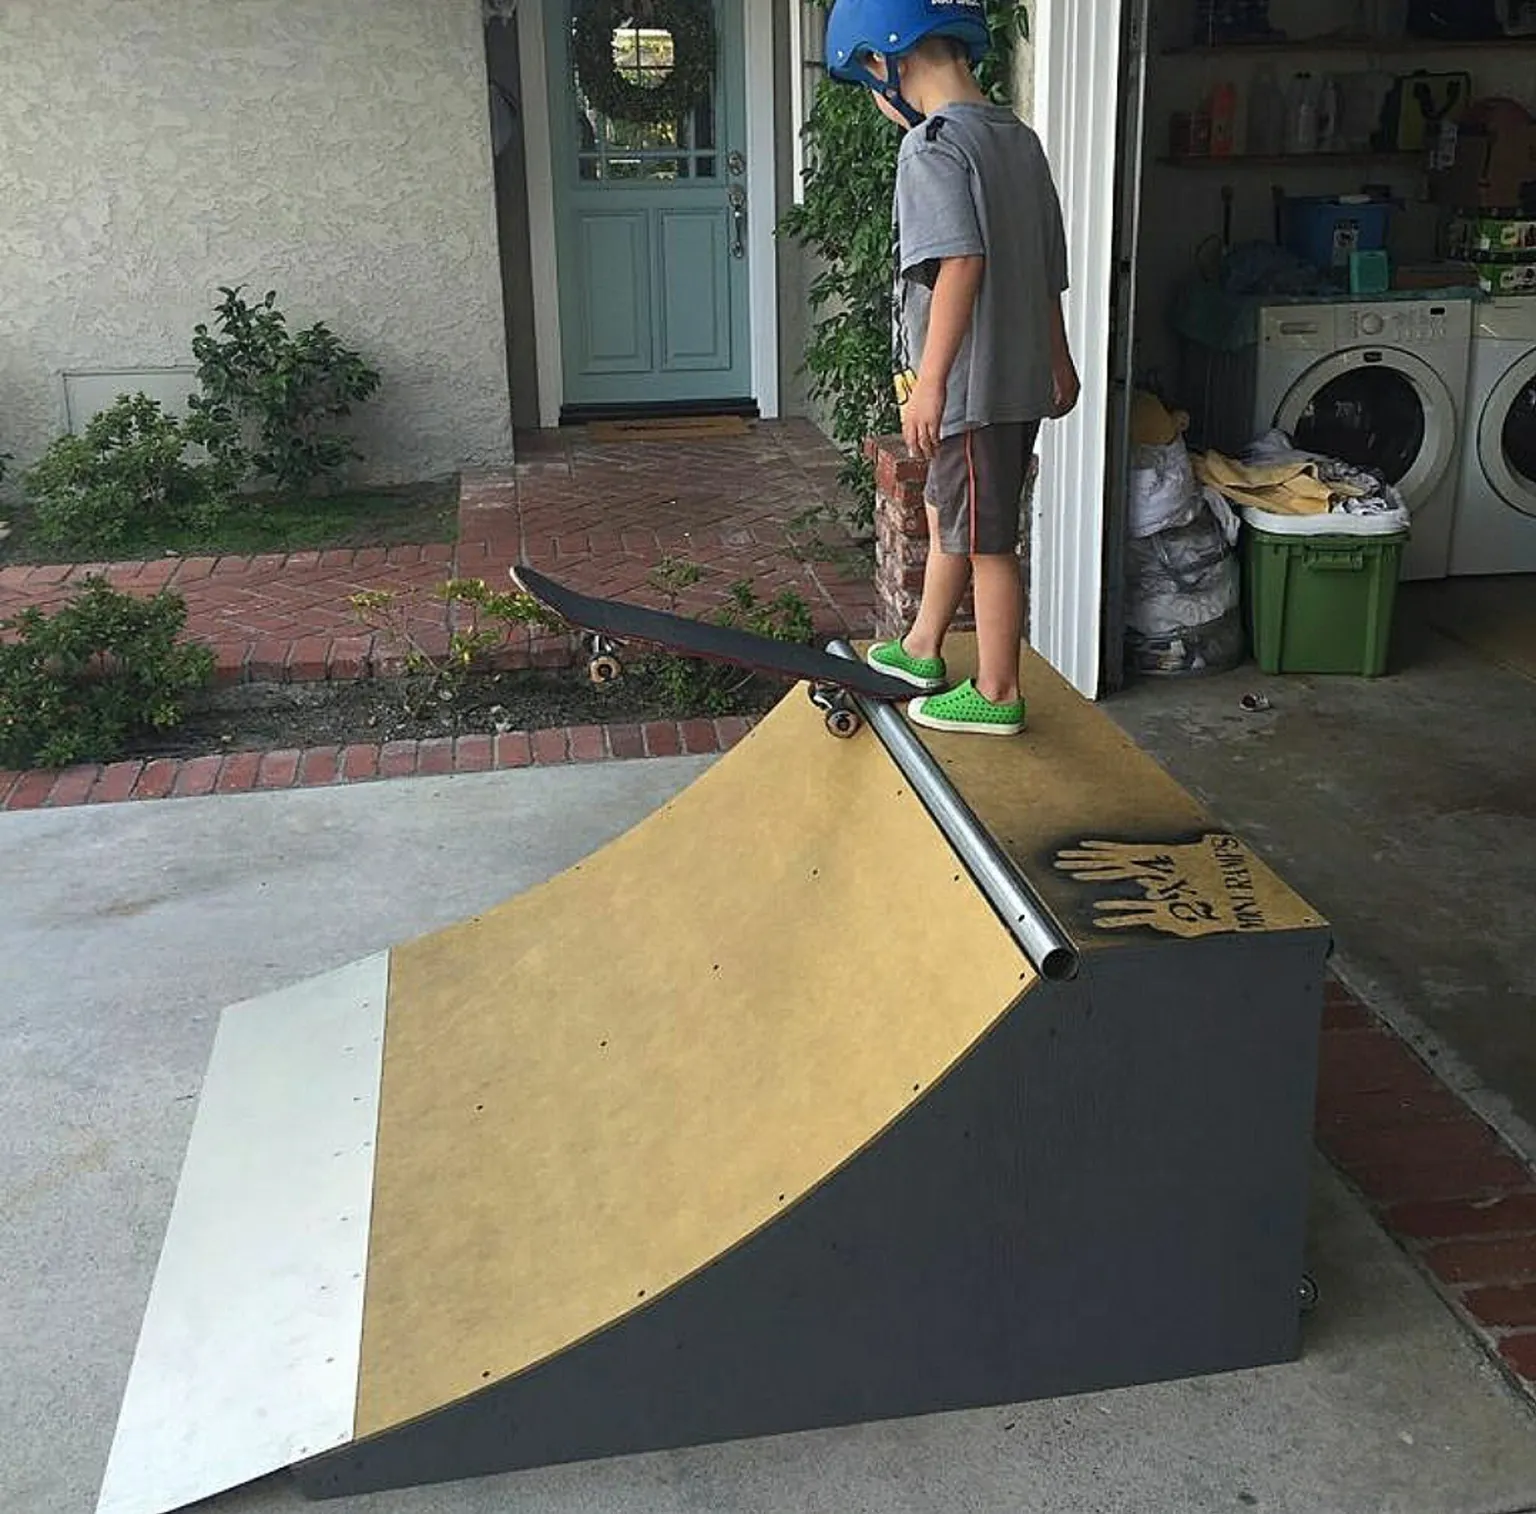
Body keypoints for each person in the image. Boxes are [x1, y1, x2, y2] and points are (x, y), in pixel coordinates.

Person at [825, 0, 1080, 735]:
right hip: (1017, 376)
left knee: (987, 541)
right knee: (953, 515)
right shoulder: (1016, 138)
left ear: (886, 61)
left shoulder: (933, 147)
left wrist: (930, 383)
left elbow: (960, 259)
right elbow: (1047, 264)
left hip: (972, 386)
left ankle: (999, 692)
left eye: (868, 80)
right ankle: (921, 647)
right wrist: (1057, 360)